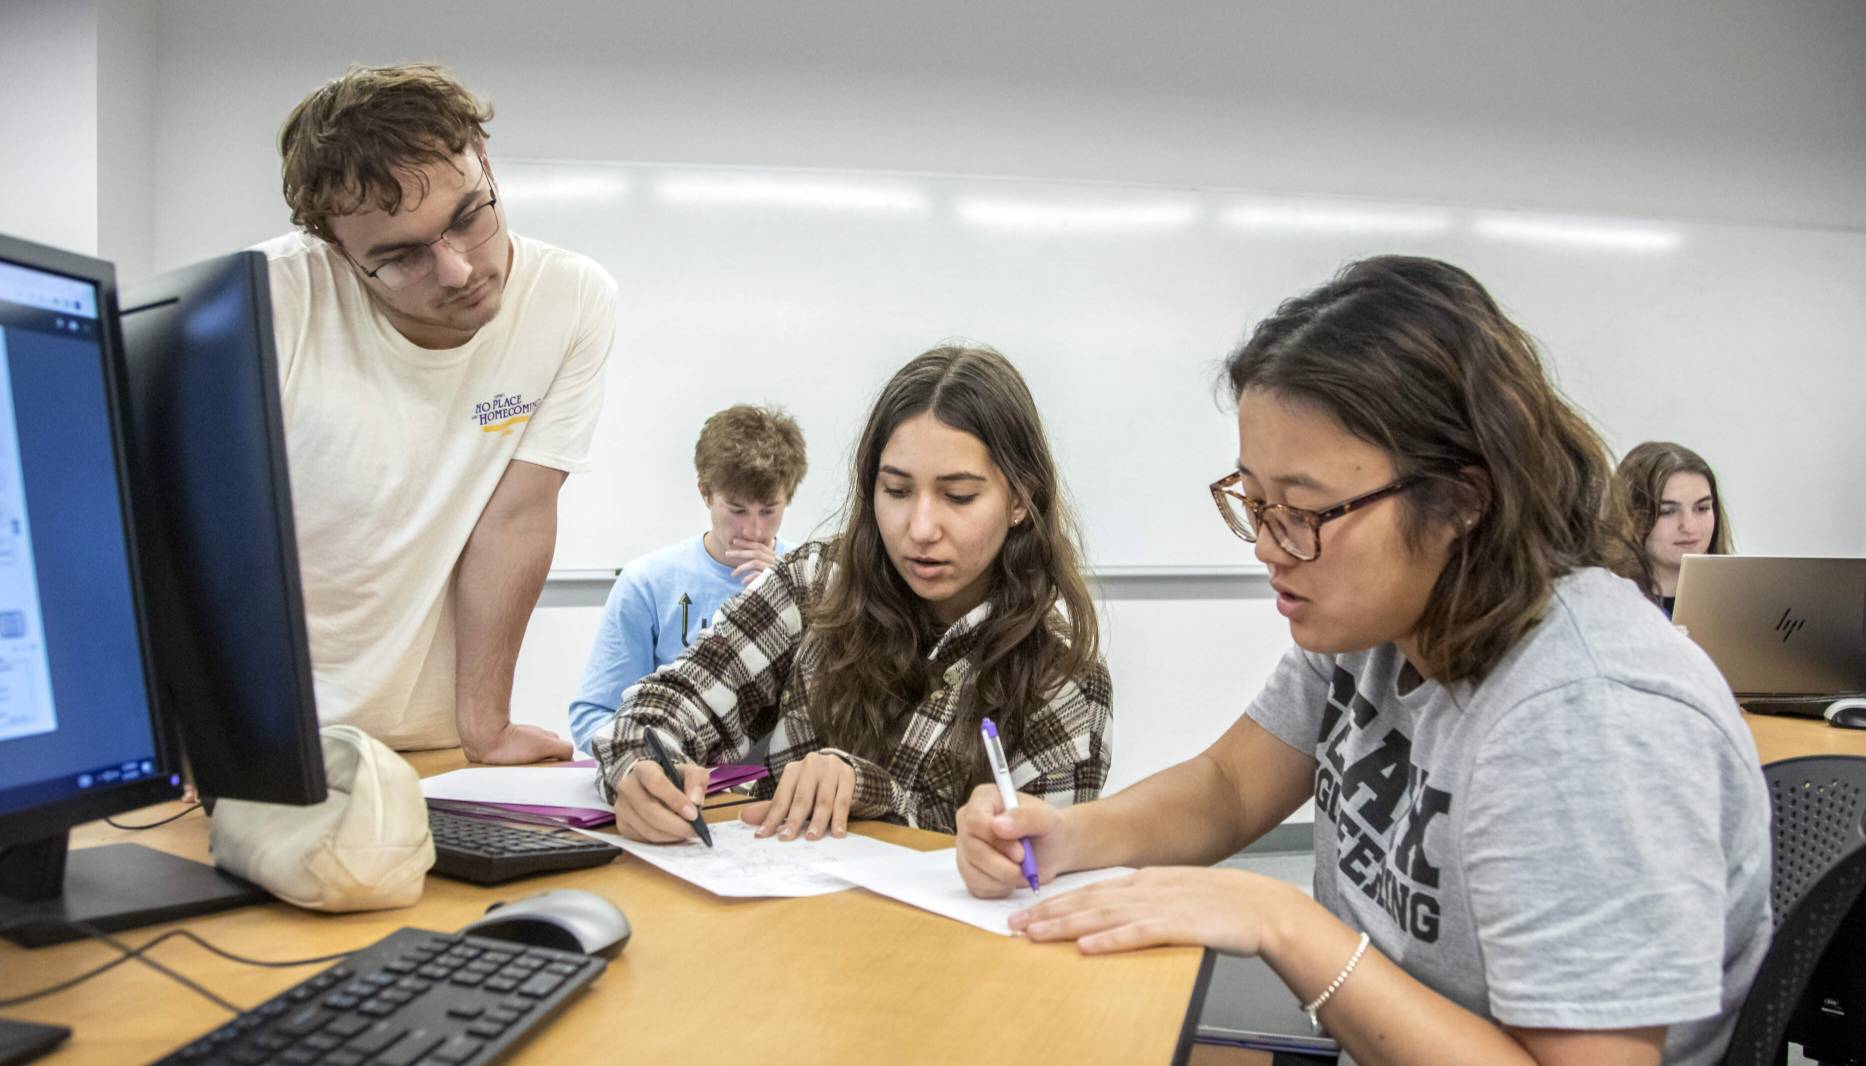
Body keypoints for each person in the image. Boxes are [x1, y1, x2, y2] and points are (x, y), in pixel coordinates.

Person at [956, 258, 1769, 1066]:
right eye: (1255, 503)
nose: (1271, 548)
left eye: (1305, 511)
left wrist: (1287, 926)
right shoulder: (1381, 623)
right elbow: (1230, 785)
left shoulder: (1586, 717)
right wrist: (1063, 836)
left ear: (1459, 500)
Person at [591, 345, 1112, 843]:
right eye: (897, 491)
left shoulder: (1062, 677)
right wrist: (639, 766)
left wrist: (866, 791)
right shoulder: (815, 584)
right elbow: (671, 701)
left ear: (1020, 500)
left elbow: (1030, 871)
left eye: (959, 496)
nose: (921, 527)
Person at [260, 63, 616, 762]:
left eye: (467, 218)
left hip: (437, 743)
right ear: (335, 248)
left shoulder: (573, 299)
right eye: (400, 257)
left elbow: (513, 517)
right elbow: (193, 539)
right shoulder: (269, 300)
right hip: (277, 738)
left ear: (483, 163)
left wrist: (486, 727)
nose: (456, 271)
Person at [566, 404, 809, 754]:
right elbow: (595, 714)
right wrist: (652, 765)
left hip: (780, 792)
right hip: (676, 786)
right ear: (706, 493)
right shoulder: (647, 583)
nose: (754, 530)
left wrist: (784, 596)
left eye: (769, 510)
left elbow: (840, 714)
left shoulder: (815, 582)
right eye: (737, 510)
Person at [1609, 441, 1734, 617]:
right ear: (1629, 516)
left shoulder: (1744, 597)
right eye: (1667, 512)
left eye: (1702, 508)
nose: (1689, 527)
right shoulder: (1606, 605)